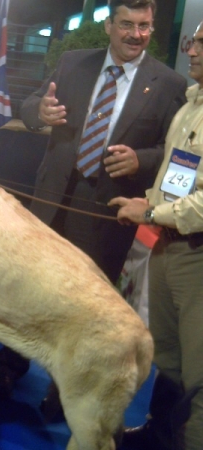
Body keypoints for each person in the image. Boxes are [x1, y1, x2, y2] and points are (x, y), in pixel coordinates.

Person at [0, 0, 187, 416]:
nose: (137, 34)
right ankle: (9, 364)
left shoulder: (168, 84)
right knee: (28, 287)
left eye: (145, 26)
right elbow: (30, 104)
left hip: (105, 212)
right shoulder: (74, 62)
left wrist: (142, 160)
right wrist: (38, 113)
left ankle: (64, 391)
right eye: (128, 25)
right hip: (51, 199)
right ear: (109, 26)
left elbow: (171, 150)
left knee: (86, 305)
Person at [109, 20, 203, 450]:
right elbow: (177, 179)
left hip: (197, 254)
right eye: (193, 40)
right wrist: (149, 205)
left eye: (201, 43)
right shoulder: (190, 107)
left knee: (200, 373)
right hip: (168, 245)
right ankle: (160, 433)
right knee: (168, 355)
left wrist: (149, 210)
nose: (192, 50)